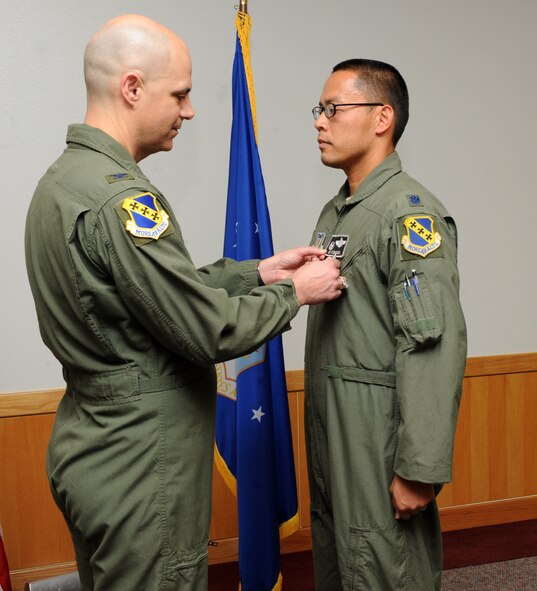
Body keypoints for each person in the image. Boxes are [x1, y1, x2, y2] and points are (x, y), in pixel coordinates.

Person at [24, 14, 343, 591]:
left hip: (92, 444)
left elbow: (145, 296)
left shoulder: (64, 181)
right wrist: (293, 293)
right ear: (131, 87)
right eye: (181, 93)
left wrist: (257, 272)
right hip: (142, 464)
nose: (189, 110)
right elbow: (207, 330)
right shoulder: (123, 199)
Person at [304, 59, 467, 590]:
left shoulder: (408, 217)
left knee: (385, 570)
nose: (319, 122)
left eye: (333, 108)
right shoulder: (339, 213)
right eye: (319, 110)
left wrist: (419, 468)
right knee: (341, 565)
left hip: (377, 437)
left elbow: (431, 348)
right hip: (334, 425)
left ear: (381, 118)